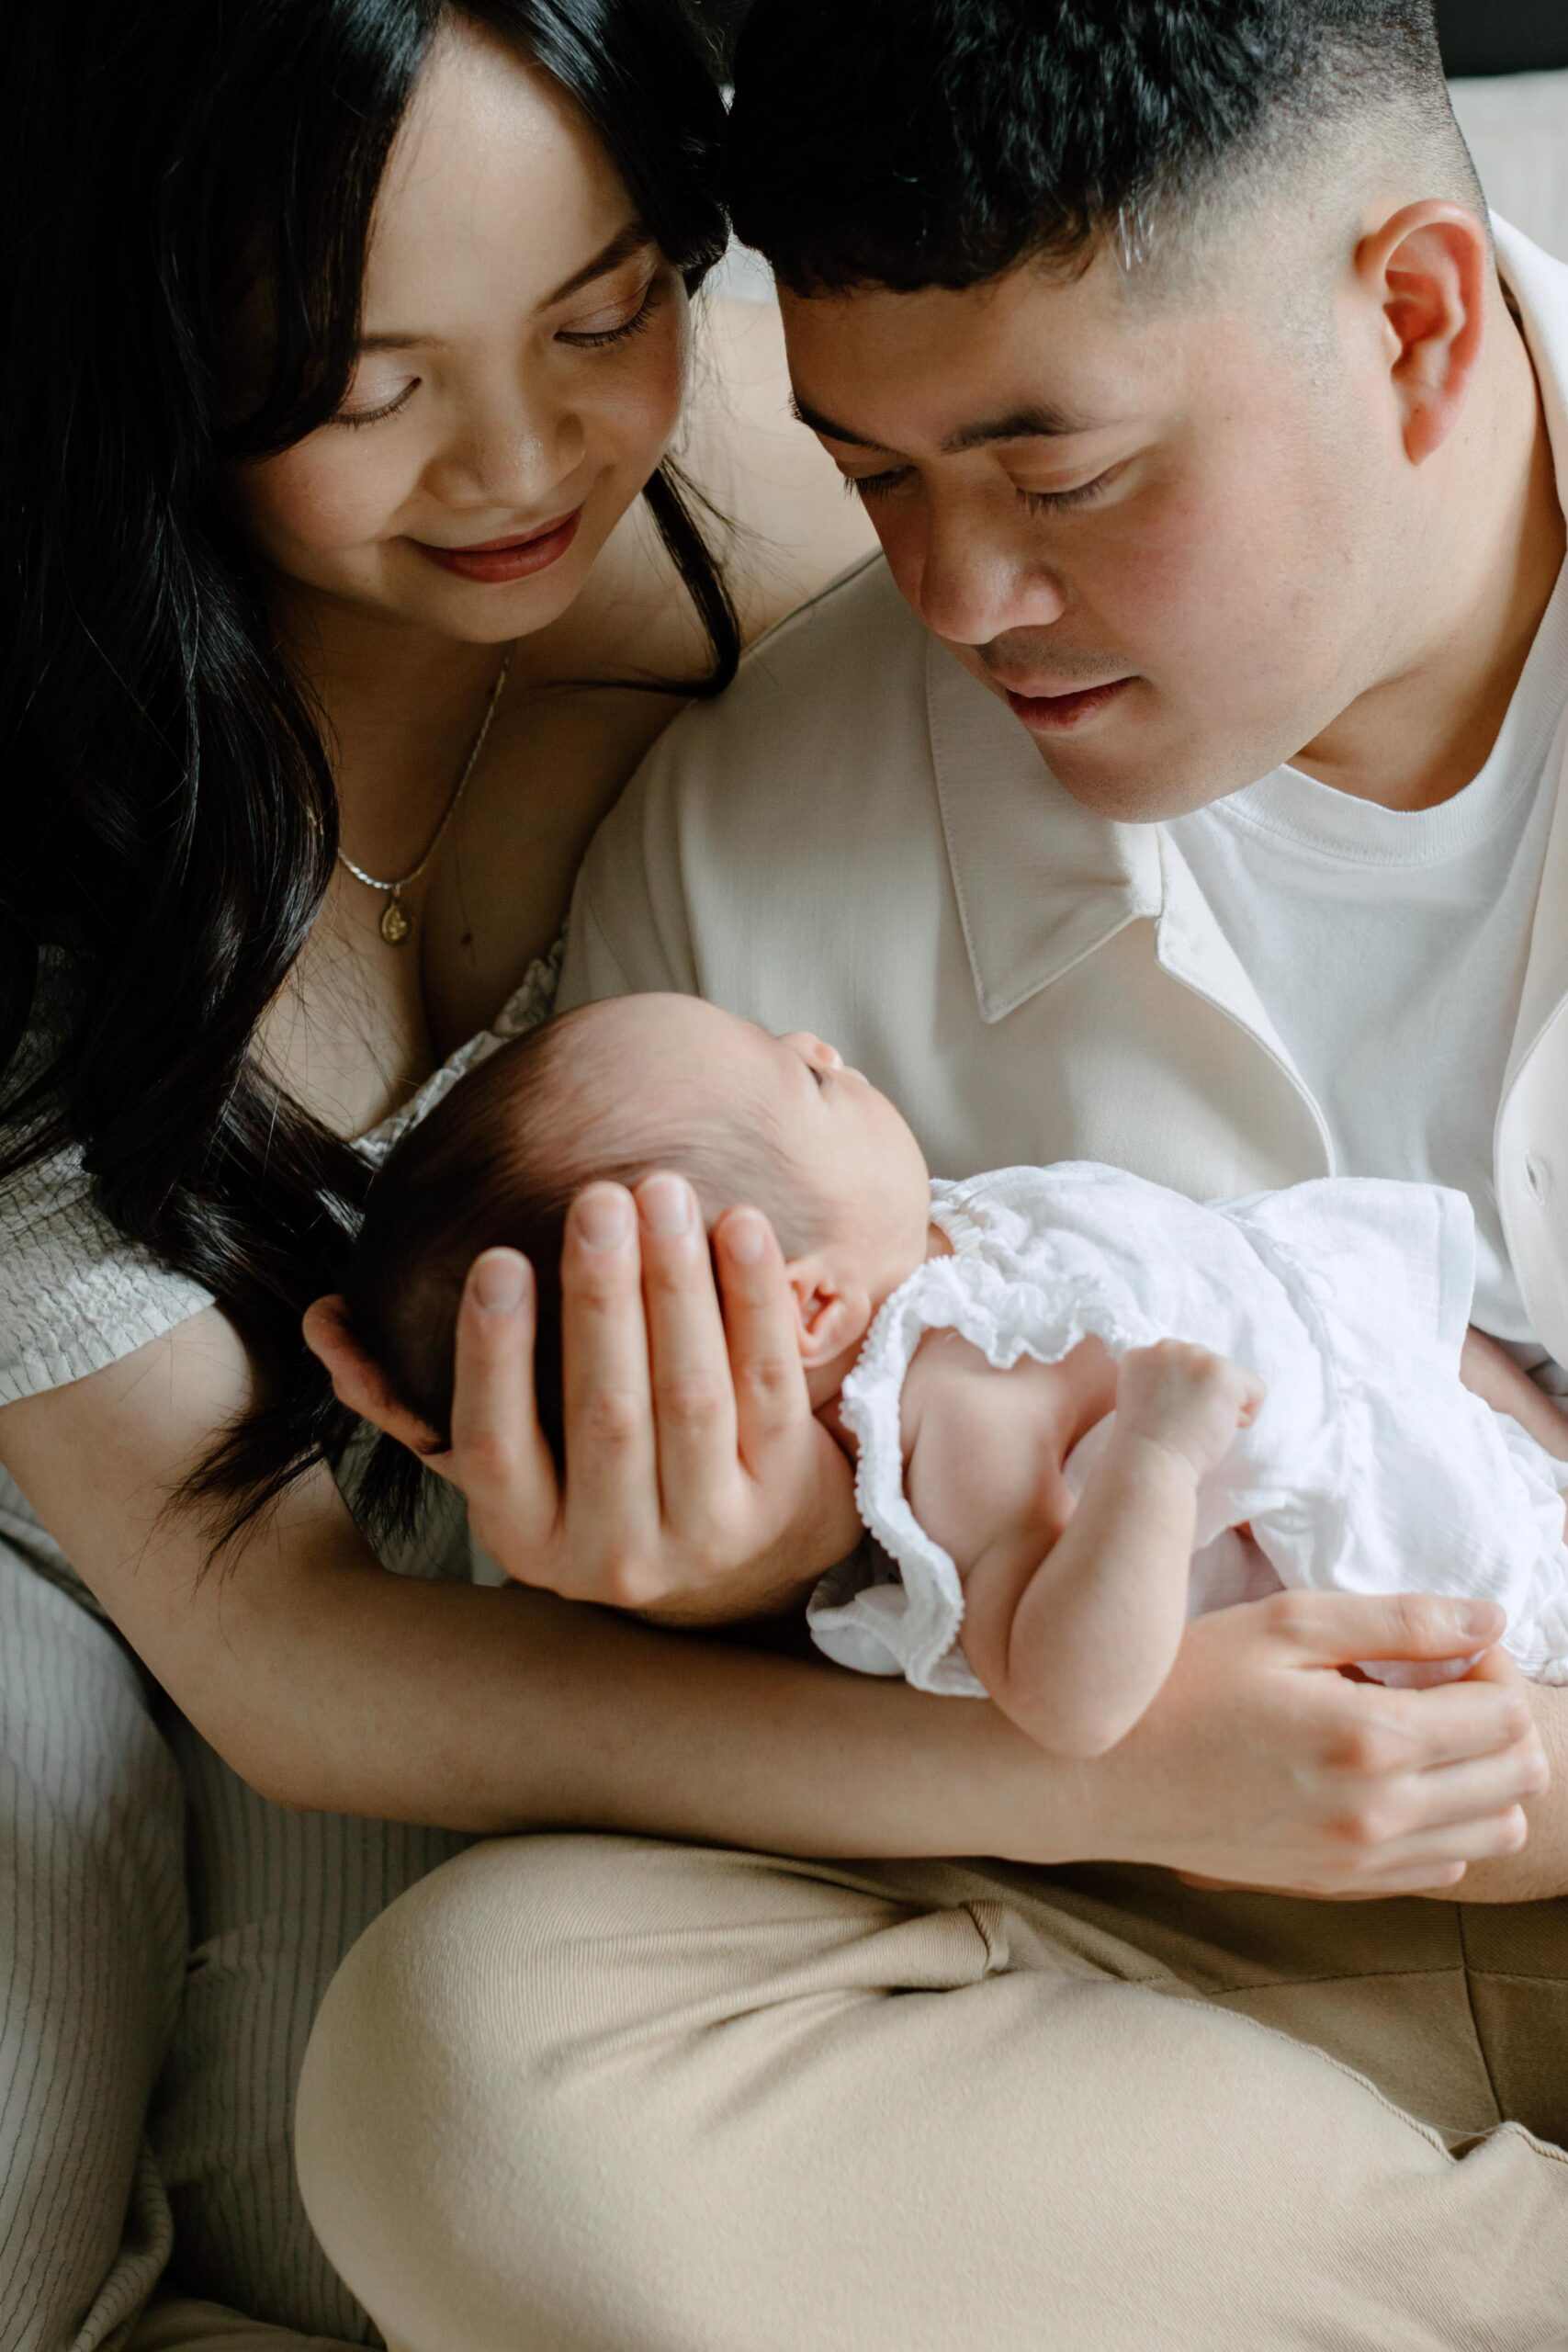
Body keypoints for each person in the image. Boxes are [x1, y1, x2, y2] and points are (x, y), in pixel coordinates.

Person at [292, 3, 1568, 2347]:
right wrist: (683, 1577)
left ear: (1411, 319)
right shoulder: (744, 866)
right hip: (1173, 1975)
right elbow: (840, 1622)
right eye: (873, 477)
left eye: (1052, 475)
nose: (957, 597)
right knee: (469, 2058)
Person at [0, 0, 874, 2344]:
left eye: (604, 311)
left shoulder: (792, 526)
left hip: (451, 1526)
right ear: (163, 348)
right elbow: (276, 1638)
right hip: (97, 1512)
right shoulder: (67, 769)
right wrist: (1091, 1784)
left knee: (379, 2184)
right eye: (371, 383)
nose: (525, 455)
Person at [338, 989, 1568, 1742]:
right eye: (804, 1076)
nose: (823, 1044)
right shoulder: (948, 1417)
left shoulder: (946, 1251)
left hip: (1373, 1360)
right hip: (1428, 1570)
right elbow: (1070, 1692)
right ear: (810, 1304)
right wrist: (1153, 1458)